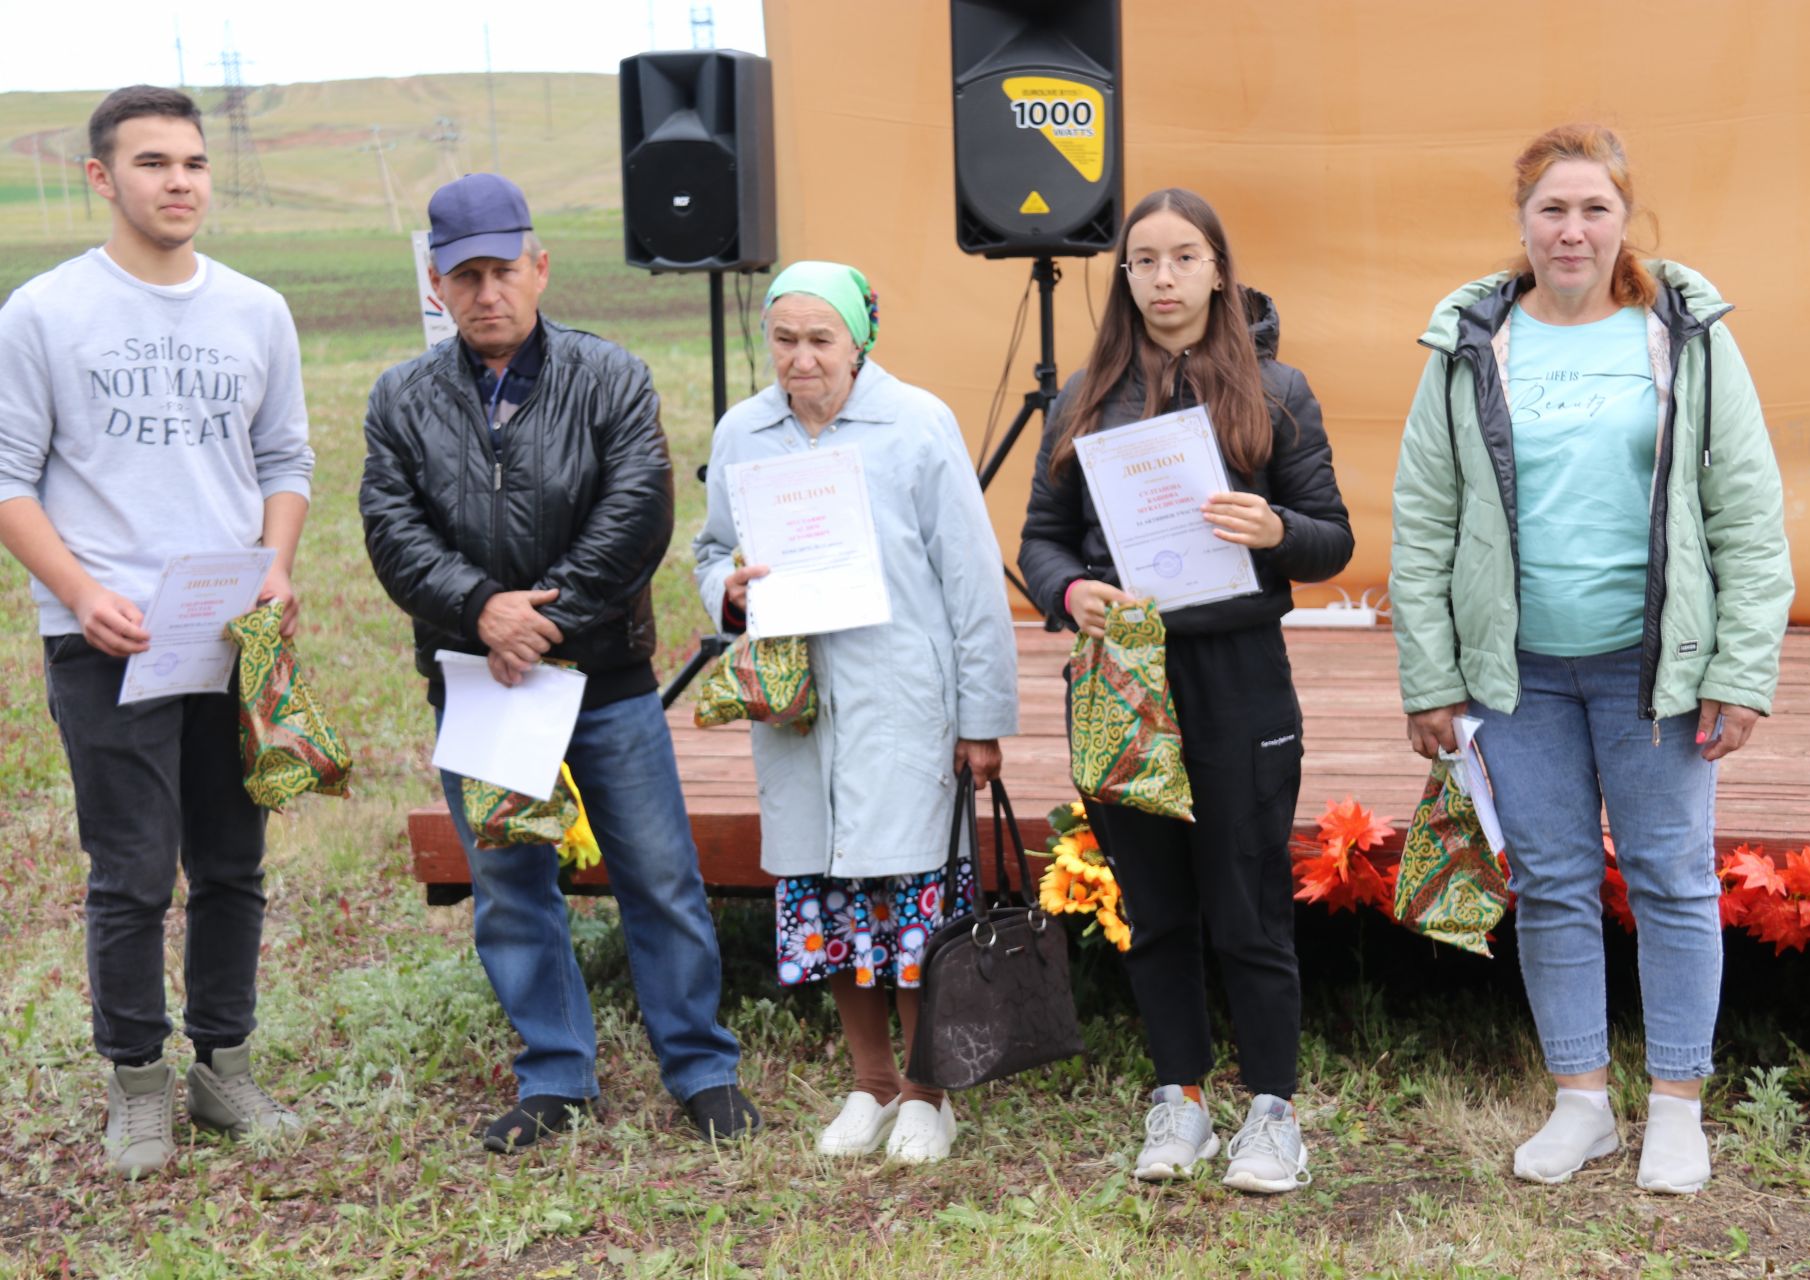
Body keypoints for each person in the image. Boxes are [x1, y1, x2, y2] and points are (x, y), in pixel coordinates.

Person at [1389, 124, 1794, 1195]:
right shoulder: (1473, 340)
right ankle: (1581, 1103)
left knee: (1668, 879)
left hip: (1653, 667)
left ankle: (1675, 1105)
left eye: (1594, 209)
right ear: (1522, 223)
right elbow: (1424, 516)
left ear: (1624, 220)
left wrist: (1740, 667)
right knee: (1554, 881)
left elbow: (1747, 511)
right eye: (1552, 210)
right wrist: (1431, 673)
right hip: (1516, 672)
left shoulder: (1685, 333)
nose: (1573, 229)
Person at [359, 173, 757, 1151]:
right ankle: (555, 1072)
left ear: (540, 267)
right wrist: (477, 609)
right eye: (466, 275)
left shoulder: (609, 377)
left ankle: (701, 1067)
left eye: (504, 269)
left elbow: (639, 513)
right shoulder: (401, 400)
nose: (487, 291)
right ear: (437, 283)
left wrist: (542, 618)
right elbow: (391, 526)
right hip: (483, 685)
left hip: (605, 682)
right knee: (511, 885)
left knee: (657, 874)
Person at [0, 86, 314, 1177]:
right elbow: (9, 481)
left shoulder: (255, 310)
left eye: (193, 162)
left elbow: (285, 460)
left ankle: (223, 1062)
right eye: (152, 164)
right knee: (132, 869)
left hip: (229, 633)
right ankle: (136, 1079)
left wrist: (276, 565)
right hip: (109, 638)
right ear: (101, 178)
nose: (180, 182)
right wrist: (82, 593)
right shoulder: (44, 314)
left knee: (233, 860)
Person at [1019, 189, 1353, 1194]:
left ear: (1219, 270)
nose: (1163, 279)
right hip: (1123, 678)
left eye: (1184, 258)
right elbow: (1038, 535)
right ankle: (1182, 1098)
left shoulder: (1277, 390)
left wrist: (1276, 532)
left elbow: (1332, 535)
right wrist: (1070, 587)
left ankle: (1272, 1111)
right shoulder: (1086, 394)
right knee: (1155, 906)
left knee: (1247, 905)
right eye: (1144, 261)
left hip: (1237, 677)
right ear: (1123, 278)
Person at [692, 261, 1018, 1163]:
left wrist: (980, 717)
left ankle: (928, 1091)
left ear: (860, 340)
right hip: (804, 712)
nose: (801, 360)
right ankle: (870, 1081)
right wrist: (727, 589)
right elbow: (711, 548)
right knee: (831, 899)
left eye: (820, 340)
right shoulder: (743, 432)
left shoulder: (917, 426)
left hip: (902, 701)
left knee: (911, 898)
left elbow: (970, 577)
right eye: (785, 340)